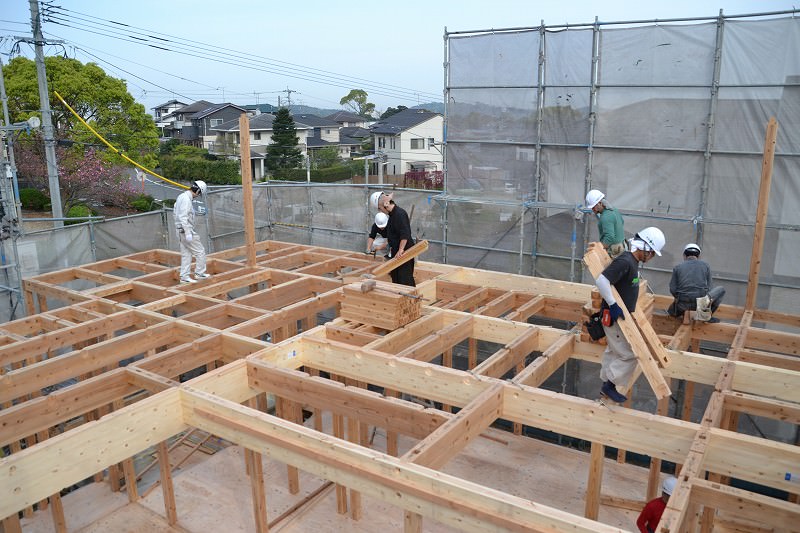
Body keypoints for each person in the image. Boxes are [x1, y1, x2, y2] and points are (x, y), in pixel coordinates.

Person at [595, 226, 665, 403]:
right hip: (614, 317)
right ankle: (609, 386)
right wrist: (612, 305)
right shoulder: (625, 261)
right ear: (645, 248)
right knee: (629, 354)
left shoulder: (632, 262)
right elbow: (602, 280)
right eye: (652, 253)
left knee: (613, 350)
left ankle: (606, 383)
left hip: (620, 316)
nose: (652, 257)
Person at [667, 243, 725, 323]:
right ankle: (704, 315)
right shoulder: (705, 266)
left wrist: (680, 297)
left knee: (672, 311)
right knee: (721, 289)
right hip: (699, 304)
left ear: (684, 255)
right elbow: (710, 288)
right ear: (699, 256)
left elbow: (672, 289)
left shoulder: (678, 267)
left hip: (682, 305)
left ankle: (679, 311)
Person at [174, 180, 210, 283]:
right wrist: (187, 232)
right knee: (200, 252)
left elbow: (175, 211)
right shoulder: (186, 199)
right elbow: (183, 217)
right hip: (185, 231)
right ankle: (199, 273)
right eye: (199, 194)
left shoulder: (181, 196)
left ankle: (184, 277)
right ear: (198, 191)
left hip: (180, 231)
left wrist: (179, 229)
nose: (198, 196)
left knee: (187, 254)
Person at [376, 192, 416, 286]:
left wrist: (401, 249)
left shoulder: (399, 214)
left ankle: (410, 299)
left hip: (404, 252)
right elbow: (393, 234)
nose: (381, 211)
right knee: (396, 277)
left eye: (380, 208)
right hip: (397, 252)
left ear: (385, 205)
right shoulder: (392, 215)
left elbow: (405, 234)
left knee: (404, 278)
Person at [586, 189, 626, 258]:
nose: (592, 209)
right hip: (622, 246)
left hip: (614, 251)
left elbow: (609, 237)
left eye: (594, 206)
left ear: (600, 203)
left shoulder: (605, 217)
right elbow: (622, 222)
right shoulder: (614, 210)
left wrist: (598, 249)